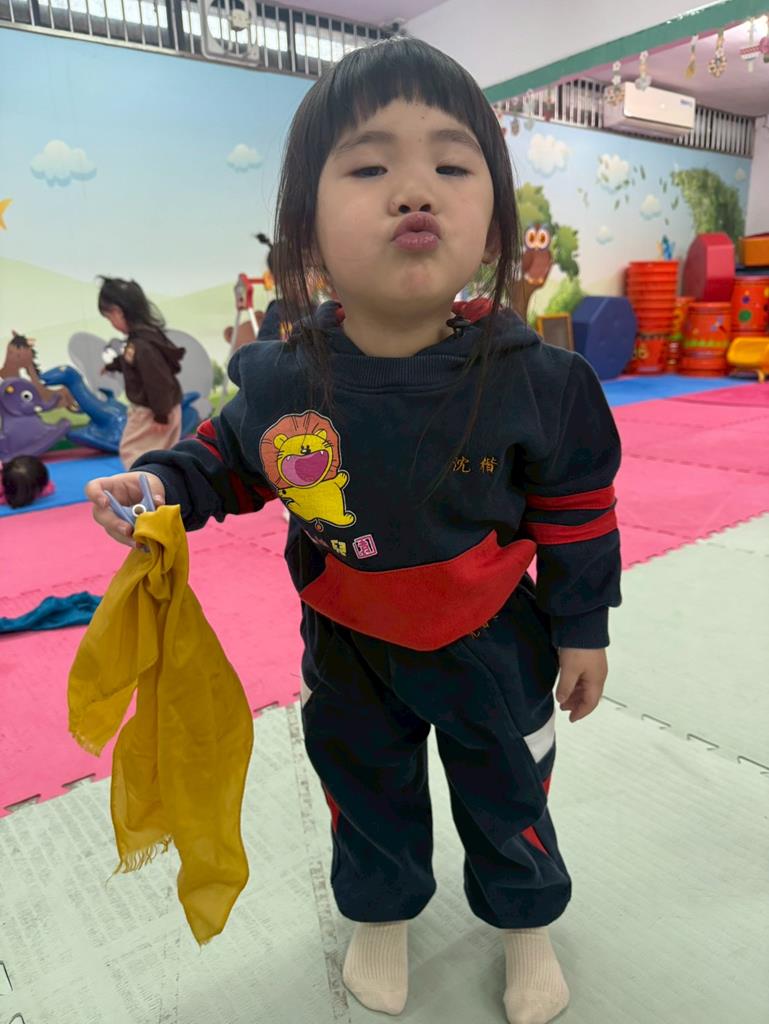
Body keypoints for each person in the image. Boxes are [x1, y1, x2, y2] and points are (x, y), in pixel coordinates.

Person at [86, 38, 621, 1024]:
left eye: (450, 166)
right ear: (306, 232)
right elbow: (224, 460)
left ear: (494, 223)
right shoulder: (282, 378)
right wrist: (158, 484)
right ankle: (380, 913)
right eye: (370, 168)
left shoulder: (540, 382)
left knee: (511, 789)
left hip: (495, 638)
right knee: (363, 786)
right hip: (348, 638)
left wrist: (583, 628)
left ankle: (525, 923)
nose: (413, 191)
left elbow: (577, 513)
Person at [97, 277, 186, 469]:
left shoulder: (143, 346)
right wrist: (113, 365)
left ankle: (145, 486)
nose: (111, 323)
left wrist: (161, 415)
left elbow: (158, 381)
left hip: (153, 410)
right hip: (165, 407)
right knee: (162, 455)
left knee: (132, 452)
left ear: (118, 312)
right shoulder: (142, 338)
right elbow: (129, 360)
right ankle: (164, 484)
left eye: (109, 317)